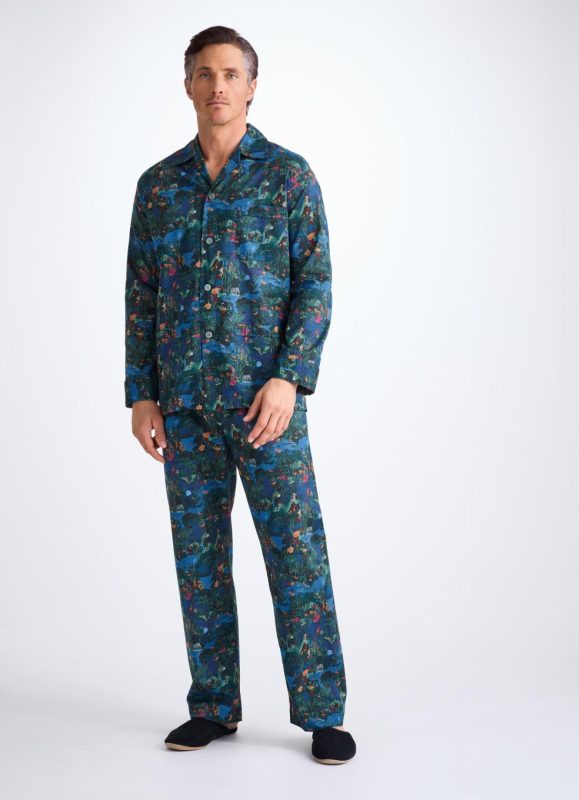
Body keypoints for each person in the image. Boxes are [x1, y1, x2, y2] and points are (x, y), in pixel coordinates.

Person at [124, 25, 356, 765]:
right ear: (187, 86)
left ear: (252, 86)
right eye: (205, 73)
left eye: (231, 73)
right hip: (184, 407)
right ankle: (213, 706)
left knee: (297, 558)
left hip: (267, 408)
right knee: (200, 563)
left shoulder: (287, 176)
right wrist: (142, 395)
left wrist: (290, 376)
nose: (217, 85)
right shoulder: (158, 186)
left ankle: (322, 713)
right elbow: (141, 295)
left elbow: (315, 285)